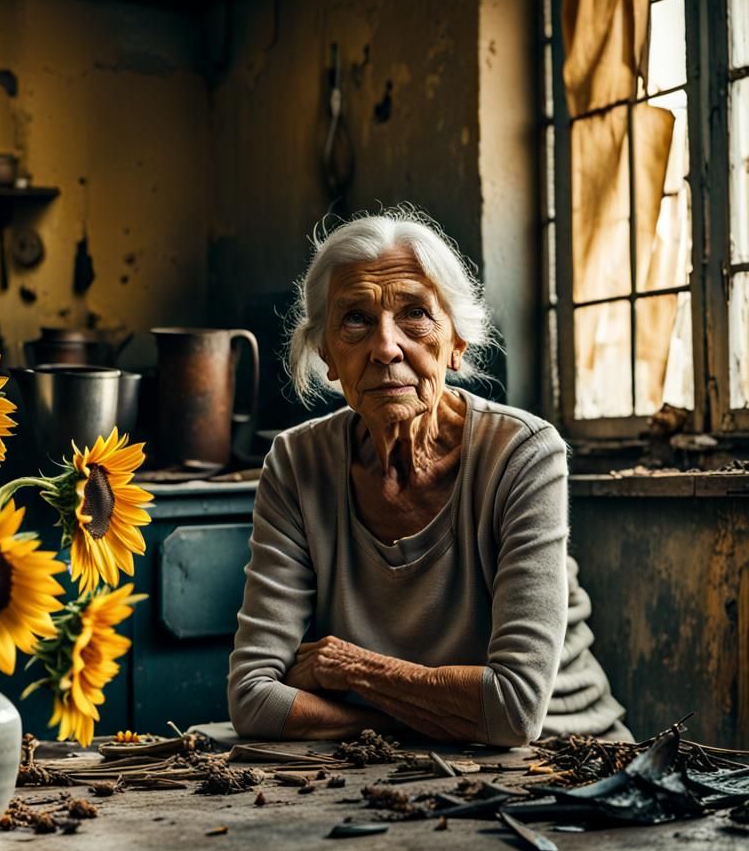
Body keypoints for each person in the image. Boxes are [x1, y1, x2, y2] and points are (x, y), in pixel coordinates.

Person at [228, 210, 629, 745]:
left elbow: (514, 710)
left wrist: (351, 669)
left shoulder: (524, 454)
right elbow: (254, 699)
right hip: (407, 762)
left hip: (565, 759)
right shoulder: (298, 463)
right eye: (355, 320)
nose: (386, 347)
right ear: (327, 352)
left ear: (458, 343)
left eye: (415, 314)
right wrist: (420, 722)